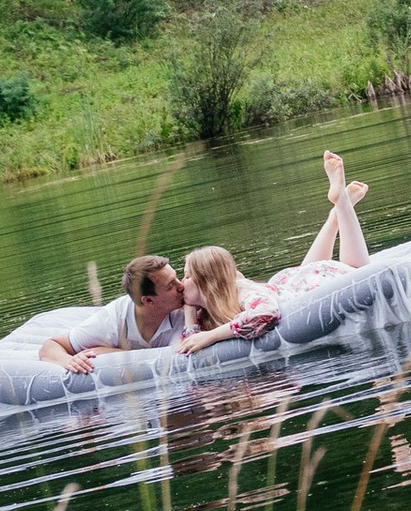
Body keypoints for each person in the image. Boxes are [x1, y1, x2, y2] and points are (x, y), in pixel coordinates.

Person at [179, 153, 373, 349]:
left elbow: (266, 313)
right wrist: (189, 311)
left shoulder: (240, 293)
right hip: (293, 283)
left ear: (208, 282)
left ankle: (341, 202)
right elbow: (189, 343)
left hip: (311, 286)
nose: (181, 283)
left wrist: (212, 336)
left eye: (187, 276)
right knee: (310, 269)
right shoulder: (208, 310)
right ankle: (335, 215)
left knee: (357, 270)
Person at [39, 251, 182, 379]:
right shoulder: (110, 321)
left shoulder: (187, 306)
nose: (181, 286)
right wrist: (69, 361)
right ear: (148, 300)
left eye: (177, 278)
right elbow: (51, 346)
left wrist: (115, 353)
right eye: (171, 286)